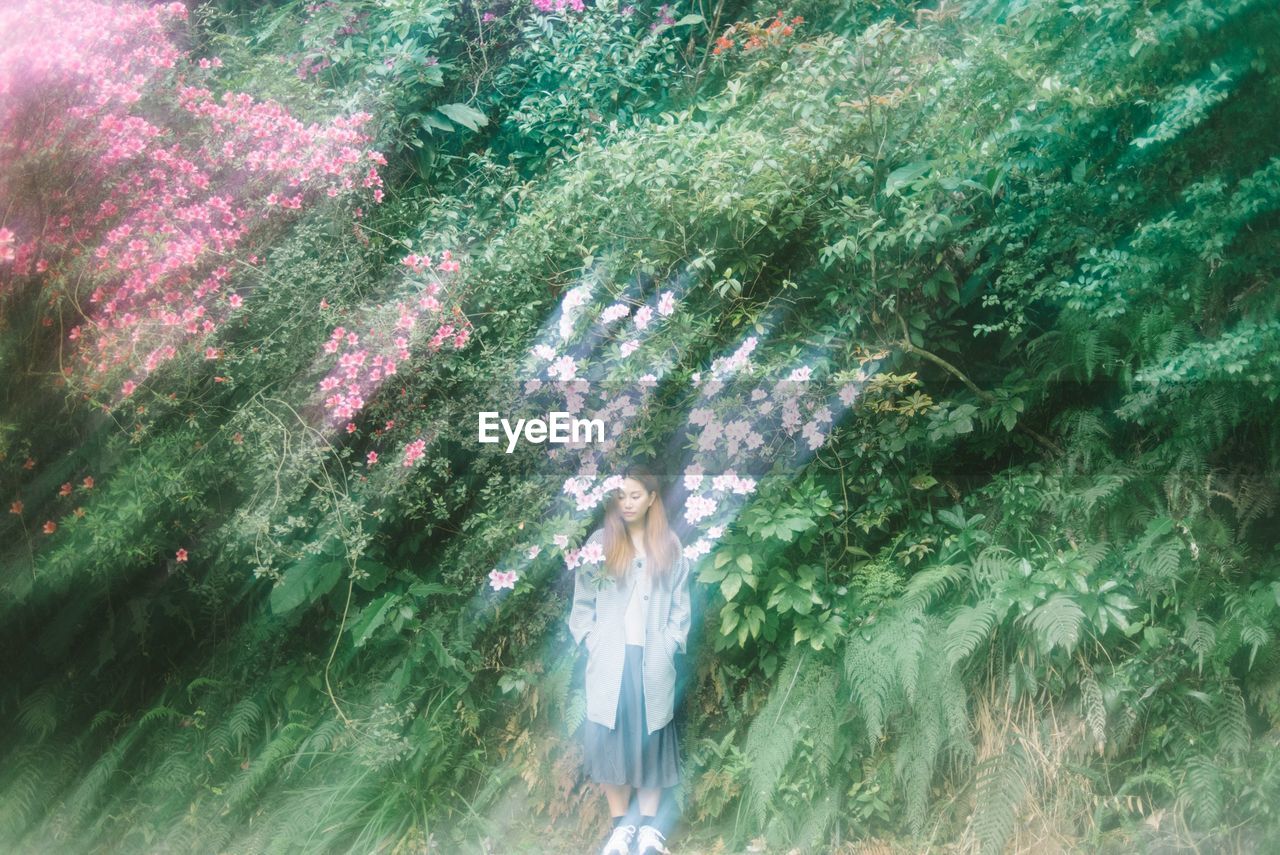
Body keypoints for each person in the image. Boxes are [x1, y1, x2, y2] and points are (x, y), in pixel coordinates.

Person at [567, 463, 692, 855]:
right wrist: (592, 640)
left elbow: (680, 607)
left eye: (636, 495)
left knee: (652, 737)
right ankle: (621, 829)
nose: (627, 502)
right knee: (610, 739)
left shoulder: (668, 545)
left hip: (652, 660)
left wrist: (671, 643)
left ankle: (650, 832)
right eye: (620, 495)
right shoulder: (601, 543)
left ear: (653, 498)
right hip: (610, 661)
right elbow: (582, 602)